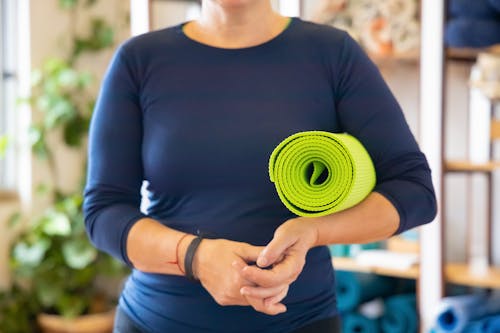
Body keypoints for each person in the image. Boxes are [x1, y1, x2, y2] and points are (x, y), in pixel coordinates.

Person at [83, 0, 437, 332]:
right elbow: (104, 211)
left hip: (300, 321)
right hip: (156, 321)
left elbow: (413, 191)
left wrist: (315, 231)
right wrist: (194, 256)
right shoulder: (140, 59)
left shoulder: (332, 54)